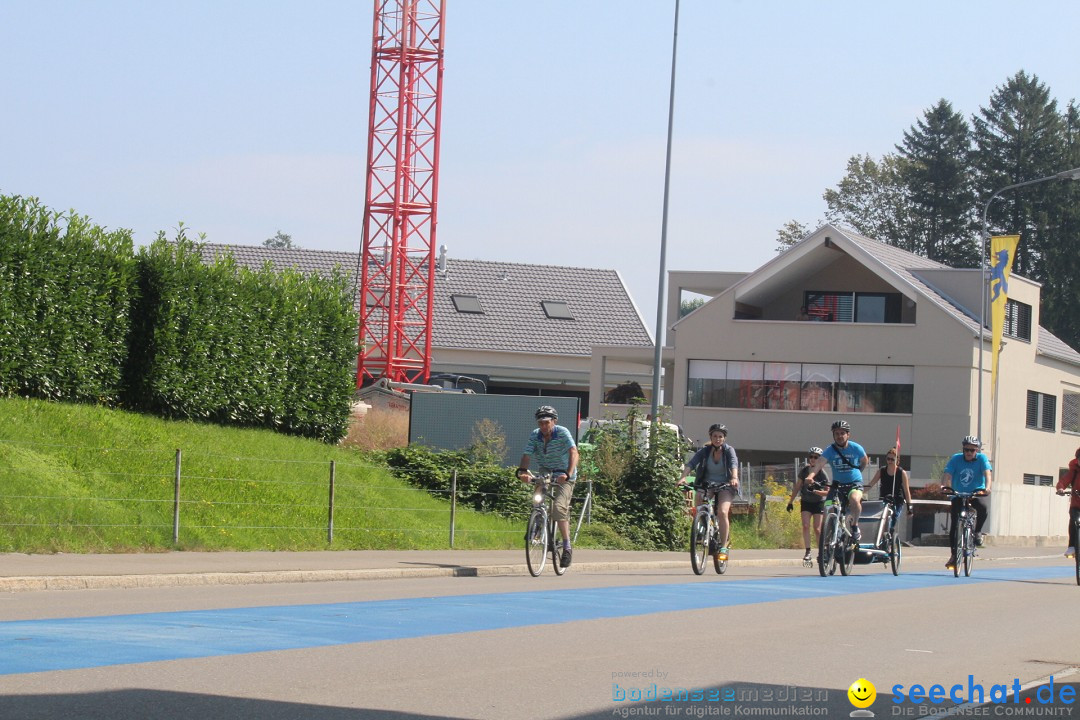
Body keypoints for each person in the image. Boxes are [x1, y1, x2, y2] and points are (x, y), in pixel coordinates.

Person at [517, 405, 579, 567]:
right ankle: (537, 525)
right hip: (546, 471)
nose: (544, 426)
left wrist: (567, 473)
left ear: (554, 421)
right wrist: (522, 471)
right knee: (537, 498)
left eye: (546, 422)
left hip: (565, 474)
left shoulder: (562, 432)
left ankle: (567, 547)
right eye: (541, 423)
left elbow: (574, 452)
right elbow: (527, 454)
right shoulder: (535, 436)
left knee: (558, 508)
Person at [679, 423, 739, 560]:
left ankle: (723, 546)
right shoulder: (704, 451)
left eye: (720, 436)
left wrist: (734, 478)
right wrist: (682, 478)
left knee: (722, 512)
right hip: (707, 484)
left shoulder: (729, 451)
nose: (717, 439)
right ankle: (701, 526)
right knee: (699, 497)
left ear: (724, 438)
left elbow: (734, 464)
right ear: (710, 437)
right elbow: (691, 464)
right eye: (715, 436)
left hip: (726, 485)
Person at [804, 419, 868, 542]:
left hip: (854, 483)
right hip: (837, 485)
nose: (839, 436)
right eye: (836, 433)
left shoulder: (856, 448)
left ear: (848, 434)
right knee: (828, 507)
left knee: (854, 499)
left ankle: (854, 526)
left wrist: (858, 472)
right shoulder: (830, 449)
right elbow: (819, 464)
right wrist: (810, 476)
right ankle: (832, 533)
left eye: (842, 433)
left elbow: (864, 460)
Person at [941, 435, 992, 570]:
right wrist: (944, 486)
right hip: (959, 493)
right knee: (954, 525)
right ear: (963, 449)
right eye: (966, 450)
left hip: (976, 493)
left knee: (983, 508)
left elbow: (987, 474)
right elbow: (947, 475)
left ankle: (978, 532)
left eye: (972, 450)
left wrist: (987, 488)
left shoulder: (982, 459)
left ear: (977, 451)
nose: (969, 453)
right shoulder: (956, 458)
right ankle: (953, 555)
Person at [787, 446, 828, 563]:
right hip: (806, 501)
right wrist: (790, 502)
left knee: (817, 528)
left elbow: (828, 491)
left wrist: (816, 490)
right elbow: (797, 487)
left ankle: (822, 552)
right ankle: (808, 551)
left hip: (818, 502)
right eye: (811, 457)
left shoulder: (822, 474)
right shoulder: (804, 471)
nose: (813, 459)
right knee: (805, 525)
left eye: (816, 457)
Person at [1054, 446, 1080, 558]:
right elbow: (1064, 481)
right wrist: (1060, 488)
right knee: (1074, 522)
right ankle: (1072, 547)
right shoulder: (1074, 472)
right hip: (1076, 505)